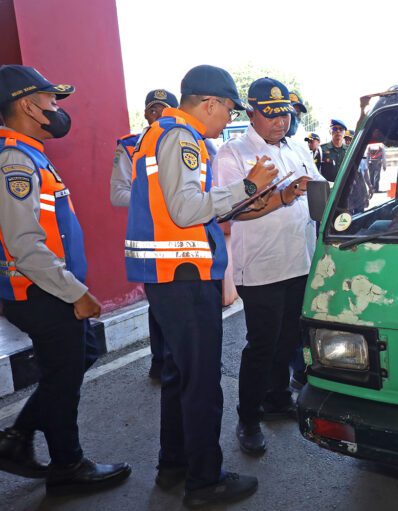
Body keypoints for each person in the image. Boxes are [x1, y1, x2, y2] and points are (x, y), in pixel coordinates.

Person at [125, 64, 277, 508]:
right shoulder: (182, 137)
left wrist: (247, 198)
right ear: (209, 103)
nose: (228, 119)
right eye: (228, 109)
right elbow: (186, 209)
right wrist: (248, 184)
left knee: (178, 376)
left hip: (171, 276)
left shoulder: (163, 133)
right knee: (202, 383)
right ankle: (204, 481)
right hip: (185, 276)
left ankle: (174, 464)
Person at [0, 64, 131, 494]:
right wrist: (78, 293)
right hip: (40, 289)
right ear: (27, 105)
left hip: (48, 286)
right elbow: (25, 245)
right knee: (65, 375)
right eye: (51, 100)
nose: (57, 108)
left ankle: (17, 439)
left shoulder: (29, 152)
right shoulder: (15, 161)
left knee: (75, 359)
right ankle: (67, 467)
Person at [215, 77, 322, 456]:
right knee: (261, 344)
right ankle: (248, 418)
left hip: (299, 260)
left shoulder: (296, 149)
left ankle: (278, 398)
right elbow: (232, 213)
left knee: (289, 338)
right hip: (261, 267)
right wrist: (286, 194)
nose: (280, 122)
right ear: (252, 113)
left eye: (285, 114)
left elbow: (317, 191)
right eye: (271, 114)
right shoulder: (233, 154)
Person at [111, 88, 178, 381]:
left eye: (163, 109)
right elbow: (117, 194)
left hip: (187, 237)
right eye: (152, 109)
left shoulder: (191, 142)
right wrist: (158, 199)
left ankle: (178, 360)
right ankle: (159, 361)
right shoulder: (129, 146)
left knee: (184, 304)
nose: (157, 115)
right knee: (159, 302)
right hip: (151, 236)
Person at [366, 128, 387, 192]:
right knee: (372, 176)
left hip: (377, 161)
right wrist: (367, 164)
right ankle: (373, 188)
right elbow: (367, 154)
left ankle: (375, 188)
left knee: (376, 176)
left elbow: (383, 155)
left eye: (378, 132)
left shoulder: (380, 144)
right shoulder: (370, 143)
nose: (376, 134)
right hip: (371, 162)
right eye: (375, 132)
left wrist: (384, 165)